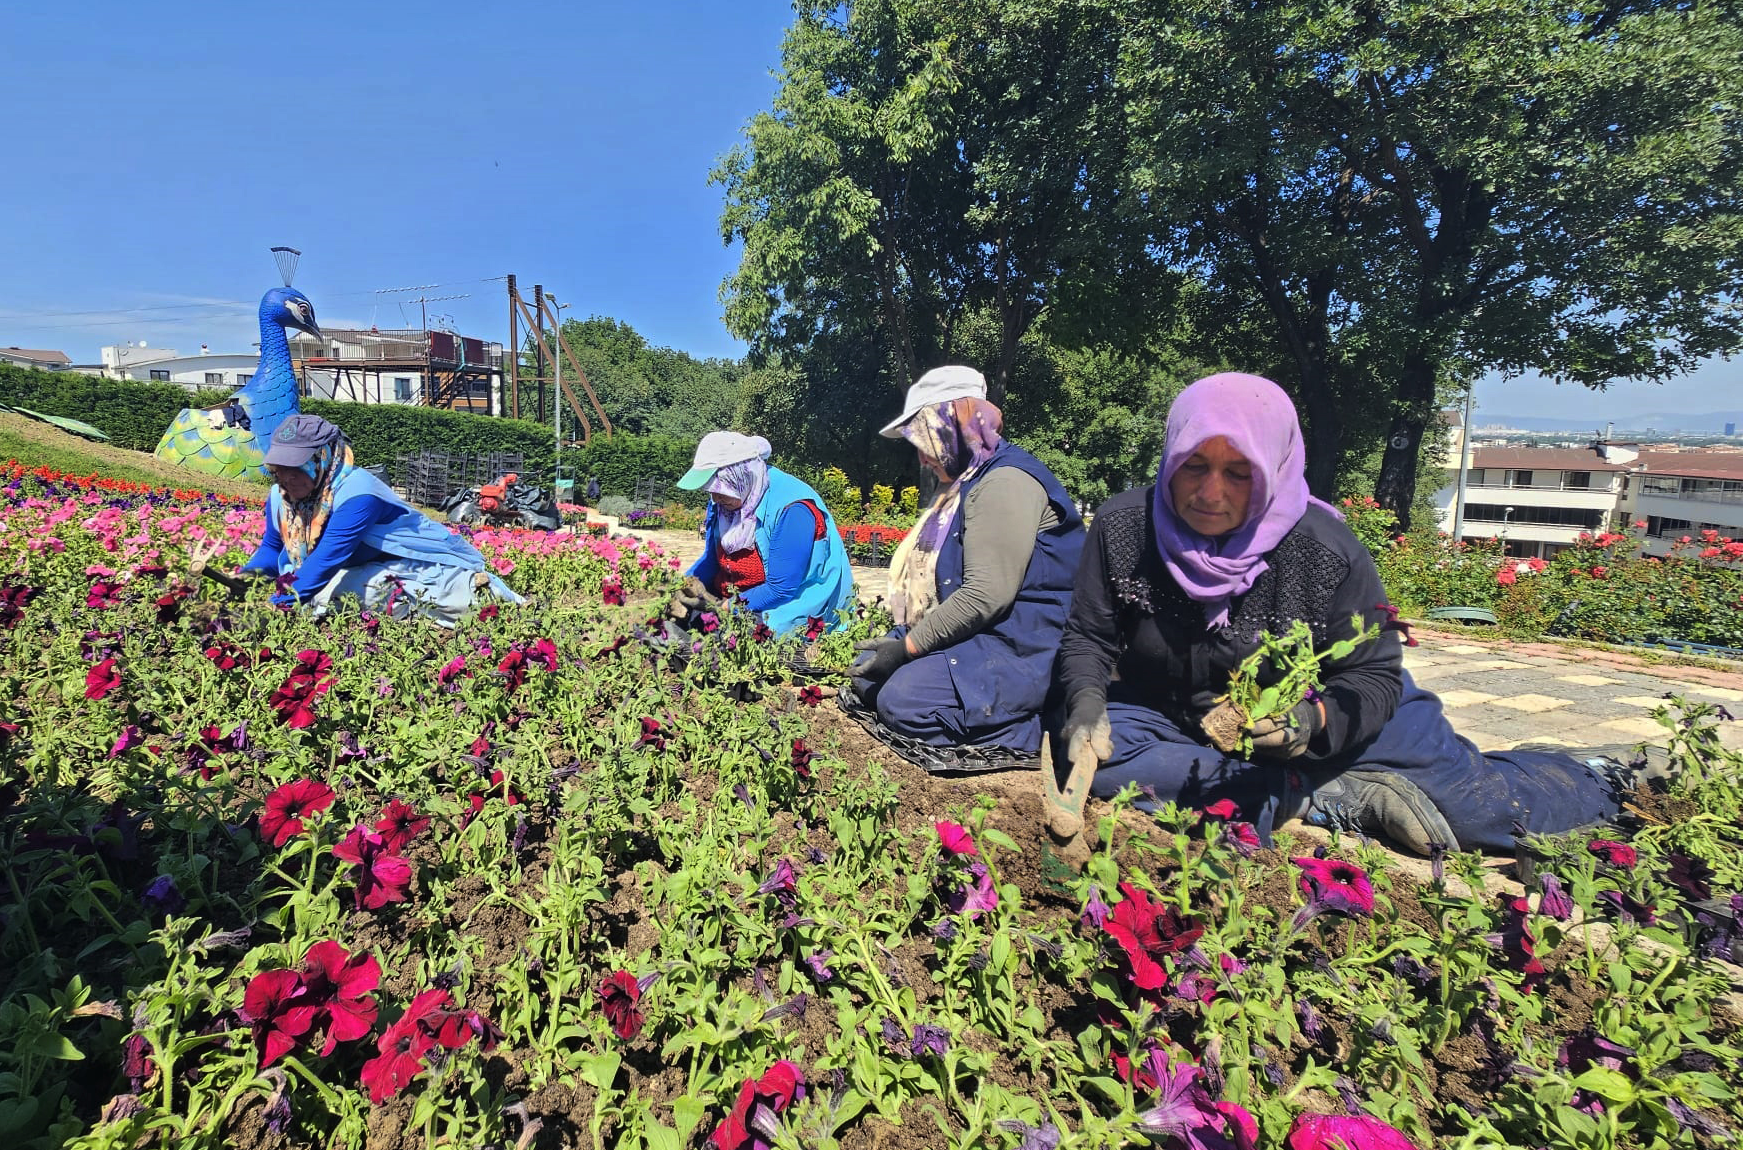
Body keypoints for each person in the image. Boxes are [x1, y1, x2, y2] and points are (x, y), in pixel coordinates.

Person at [1048, 372, 1623, 859]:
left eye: (1239, 472)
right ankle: (1318, 796)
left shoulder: (1324, 550)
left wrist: (1308, 724)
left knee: (1483, 819)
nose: (1210, 493)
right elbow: (1090, 638)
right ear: (1170, 454)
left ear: (1271, 468)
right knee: (1104, 761)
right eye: (1193, 465)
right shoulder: (1126, 528)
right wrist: (1086, 705)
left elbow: (1373, 677)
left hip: (1339, 718)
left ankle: (1596, 774)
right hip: (1178, 717)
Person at [846, 367, 1085, 754]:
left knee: (902, 703)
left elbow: (985, 596)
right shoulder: (969, 480)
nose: (921, 459)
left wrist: (908, 648)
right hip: (985, 636)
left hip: (1026, 647)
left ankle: (1045, 731)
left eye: (924, 441)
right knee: (868, 672)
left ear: (954, 422)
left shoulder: (1003, 482)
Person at [211, 414, 520, 623]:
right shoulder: (281, 496)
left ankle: (477, 589)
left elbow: (329, 557)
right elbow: (271, 547)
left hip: (407, 562)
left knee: (362, 591)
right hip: (350, 565)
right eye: (280, 468)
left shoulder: (357, 492)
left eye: (295, 467)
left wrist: (277, 605)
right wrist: (246, 578)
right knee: (325, 593)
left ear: (322, 458)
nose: (285, 477)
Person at [671, 432, 854, 637]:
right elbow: (712, 560)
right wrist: (684, 585)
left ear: (741, 476)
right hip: (736, 599)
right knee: (674, 624)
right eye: (710, 489)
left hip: (788, 606)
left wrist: (726, 607)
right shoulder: (724, 502)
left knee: (734, 639)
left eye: (719, 488)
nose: (714, 497)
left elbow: (781, 589)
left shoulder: (792, 508)